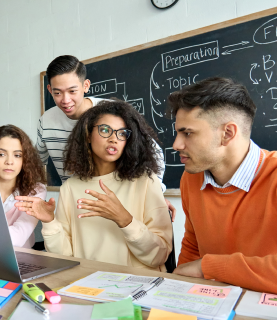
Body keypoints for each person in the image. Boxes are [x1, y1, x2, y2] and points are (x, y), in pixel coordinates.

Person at [16, 100, 173, 271]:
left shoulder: (146, 181)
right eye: (105, 130)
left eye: (122, 133)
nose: (114, 138)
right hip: (86, 285)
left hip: (135, 288)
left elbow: (159, 255)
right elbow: (64, 256)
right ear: (88, 135)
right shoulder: (70, 187)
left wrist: (124, 219)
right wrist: (49, 221)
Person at [169, 77, 277, 293]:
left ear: (227, 133)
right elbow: (193, 245)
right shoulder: (191, 178)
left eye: (187, 133)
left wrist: (208, 267)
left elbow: (201, 265)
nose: (176, 144)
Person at [36, 55, 176, 219]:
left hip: (119, 204)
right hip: (76, 205)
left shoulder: (111, 113)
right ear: (49, 90)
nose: (65, 100)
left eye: (72, 91)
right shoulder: (46, 121)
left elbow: (155, 154)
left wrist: (154, 193)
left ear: (85, 85)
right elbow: (37, 163)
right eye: (57, 92)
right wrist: (37, 197)